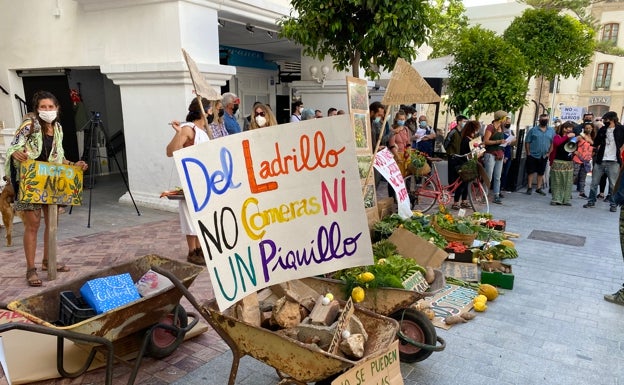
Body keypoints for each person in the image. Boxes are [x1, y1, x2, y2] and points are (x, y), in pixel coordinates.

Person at [5, 91, 88, 286]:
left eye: (51, 107)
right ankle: (30, 269)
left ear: (57, 109)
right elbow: (14, 147)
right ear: (37, 109)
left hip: (51, 182)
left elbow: (58, 157)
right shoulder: (29, 125)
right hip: (30, 181)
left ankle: (47, 261)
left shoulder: (57, 128)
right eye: (43, 107)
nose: (47, 110)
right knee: (32, 226)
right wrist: (16, 153)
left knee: (52, 224)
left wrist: (74, 164)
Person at [166, 97, 212, 265]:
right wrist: (178, 133)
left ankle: (200, 248)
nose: (212, 112)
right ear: (203, 111)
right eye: (210, 109)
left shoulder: (203, 130)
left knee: (200, 214)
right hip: (191, 177)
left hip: (203, 178)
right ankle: (192, 251)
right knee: (189, 214)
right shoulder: (188, 129)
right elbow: (171, 152)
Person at [583, 111, 624, 212]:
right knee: (594, 182)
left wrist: (621, 150)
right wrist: (590, 141)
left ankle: (613, 204)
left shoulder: (621, 129)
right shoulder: (603, 129)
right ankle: (591, 201)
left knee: (613, 184)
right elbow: (596, 143)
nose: (605, 121)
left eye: (607, 120)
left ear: (613, 119)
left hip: (613, 161)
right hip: (601, 159)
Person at [451, 120, 480, 210]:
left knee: (467, 184)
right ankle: (456, 202)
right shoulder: (466, 140)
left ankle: (464, 200)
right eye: (476, 129)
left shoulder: (471, 139)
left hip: (468, 163)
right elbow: (468, 153)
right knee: (462, 184)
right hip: (463, 163)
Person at [525, 113, 555, 196]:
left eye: (546, 120)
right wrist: (528, 152)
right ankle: (529, 187)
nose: (544, 121)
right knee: (530, 171)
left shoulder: (551, 131)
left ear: (548, 121)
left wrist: (549, 153)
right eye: (542, 119)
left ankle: (538, 188)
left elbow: (553, 143)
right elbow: (527, 141)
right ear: (539, 120)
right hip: (533, 154)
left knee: (541, 172)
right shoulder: (533, 130)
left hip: (544, 155)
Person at [483, 110, 507, 204]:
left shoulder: (502, 127)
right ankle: (484, 194)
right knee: (488, 176)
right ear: (501, 118)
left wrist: (506, 142)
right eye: (505, 118)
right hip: (490, 153)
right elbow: (486, 141)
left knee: (497, 176)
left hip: (499, 154)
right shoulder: (490, 127)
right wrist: (498, 142)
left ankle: (496, 195)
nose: (506, 120)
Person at [549, 121, 576, 206]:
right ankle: (556, 199)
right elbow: (557, 143)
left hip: (568, 162)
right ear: (564, 128)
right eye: (569, 128)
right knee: (557, 181)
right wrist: (566, 136)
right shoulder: (557, 136)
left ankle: (565, 199)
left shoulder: (571, 138)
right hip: (558, 161)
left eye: (571, 129)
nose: (570, 130)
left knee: (567, 182)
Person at [445, 114, 468, 189]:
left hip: (460, 156)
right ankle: (451, 189)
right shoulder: (453, 132)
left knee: (459, 173)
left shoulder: (464, 132)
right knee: (451, 173)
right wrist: (449, 152)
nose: (465, 123)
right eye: (464, 121)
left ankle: (457, 188)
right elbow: (446, 142)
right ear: (458, 122)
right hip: (452, 155)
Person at [572, 122, 594, 198]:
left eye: (589, 128)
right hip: (577, 159)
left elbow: (594, 145)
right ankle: (568, 191)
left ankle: (582, 192)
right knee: (573, 176)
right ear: (584, 129)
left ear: (592, 129)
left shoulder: (592, 137)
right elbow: (571, 143)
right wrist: (574, 151)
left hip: (586, 161)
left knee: (583, 177)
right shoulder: (580, 137)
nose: (588, 129)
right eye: (586, 128)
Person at [500, 116, 517, 192]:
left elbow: (515, 141)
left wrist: (511, 142)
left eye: (509, 122)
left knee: (506, 172)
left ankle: (503, 186)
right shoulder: (500, 131)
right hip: (503, 154)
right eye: (507, 122)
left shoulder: (511, 131)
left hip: (509, 154)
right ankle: (499, 187)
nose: (508, 124)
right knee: (501, 172)